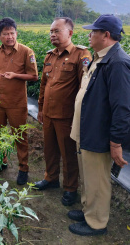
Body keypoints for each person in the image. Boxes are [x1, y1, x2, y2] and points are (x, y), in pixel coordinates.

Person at [68, 14, 130, 236]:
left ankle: (96, 222)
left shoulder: (118, 63)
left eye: (93, 31)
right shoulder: (100, 57)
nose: (90, 35)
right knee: (87, 175)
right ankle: (88, 210)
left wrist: (116, 142)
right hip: (87, 129)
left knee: (97, 179)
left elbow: (122, 108)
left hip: (98, 133)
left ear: (106, 35)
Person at [34, 17, 92, 206]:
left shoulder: (81, 55)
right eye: (51, 31)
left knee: (68, 154)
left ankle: (70, 188)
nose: (53, 34)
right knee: (49, 149)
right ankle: (50, 178)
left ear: (70, 33)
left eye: (57, 31)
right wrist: (41, 108)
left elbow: (84, 88)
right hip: (49, 113)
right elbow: (44, 84)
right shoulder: (50, 56)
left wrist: (80, 116)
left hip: (67, 116)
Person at [0, 17, 38, 185]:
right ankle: (0, 161)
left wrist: (16, 75)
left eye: (12, 33)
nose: (9, 37)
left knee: (20, 136)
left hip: (17, 103)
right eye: (5, 34)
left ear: (16, 33)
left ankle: (23, 168)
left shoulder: (26, 52)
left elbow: (34, 76)